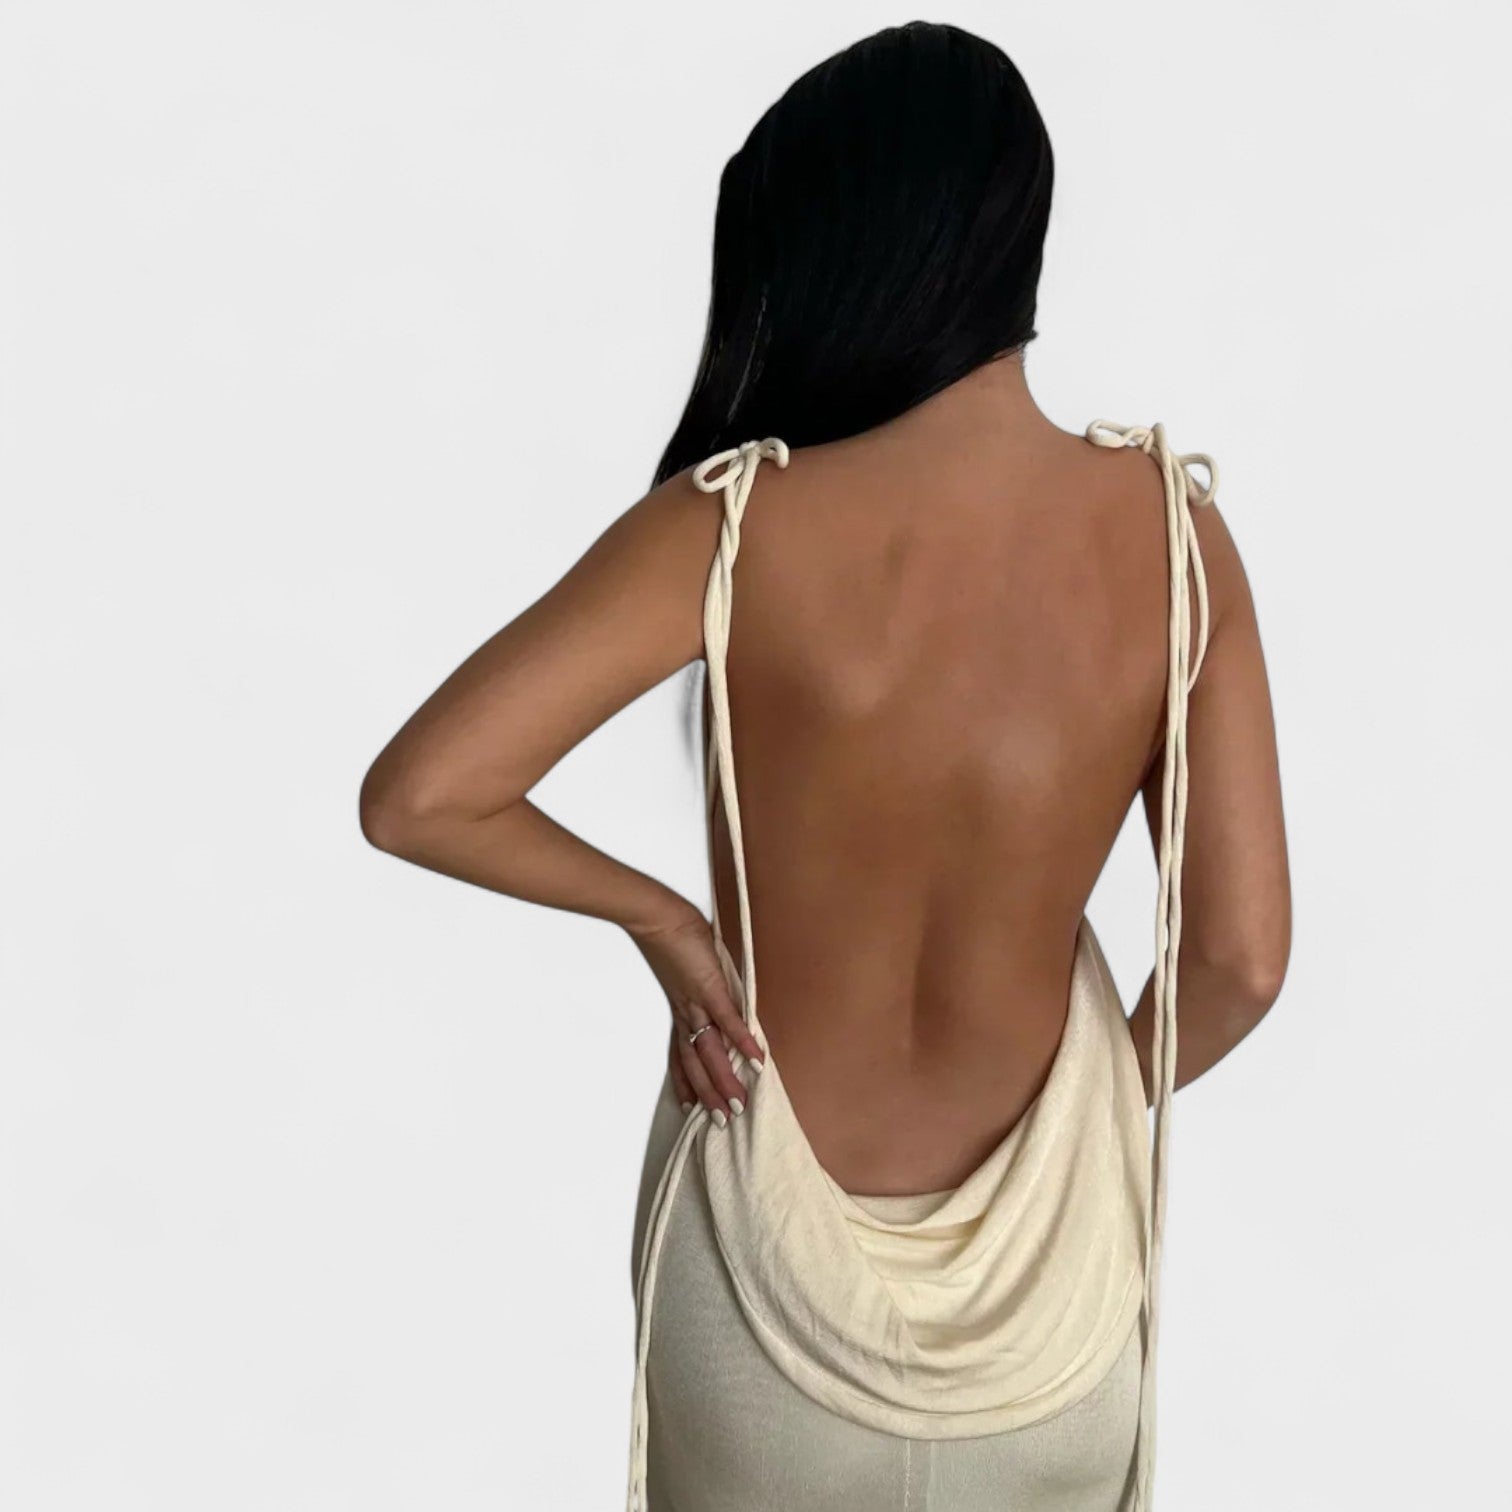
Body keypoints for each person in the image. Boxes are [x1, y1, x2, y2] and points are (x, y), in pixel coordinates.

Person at [358, 20, 1290, 1512]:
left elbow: (421, 794)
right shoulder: (1175, 537)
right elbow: (1240, 961)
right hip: (1055, 1337)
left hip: (757, 1312)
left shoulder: (731, 528)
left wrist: (664, 922)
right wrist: (1083, 1124)